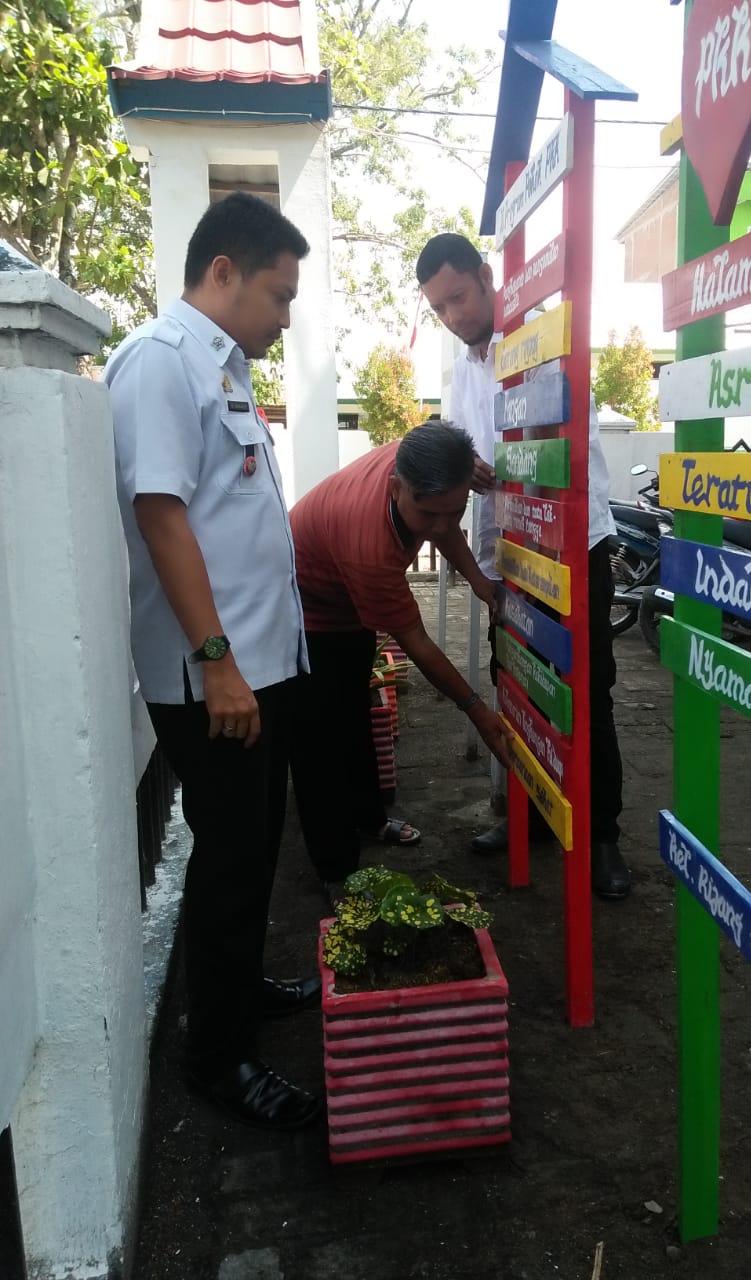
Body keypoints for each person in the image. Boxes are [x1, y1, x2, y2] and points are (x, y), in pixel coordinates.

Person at [106, 192, 322, 1130]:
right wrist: (219, 663)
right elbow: (162, 516)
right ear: (222, 272)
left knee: (252, 849)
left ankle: (238, 992)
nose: (284, 316)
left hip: (256, 669)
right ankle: (216, 1057)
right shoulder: (161, 364)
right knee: (230, 860)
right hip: (215, 680)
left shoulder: (221, 368)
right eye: (277, 295)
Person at [415, 233, 631, 900]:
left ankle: (603, 838)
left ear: (486, 278)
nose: (453, 316)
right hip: (507, 553)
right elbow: (460, 450)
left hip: (569, 545)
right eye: (439, 308)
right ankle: (530, 814)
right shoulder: (462, 370)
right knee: (517, 684)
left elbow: (564, 445)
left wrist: (499, 464)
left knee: (583, 692)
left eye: (458, 297)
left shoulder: (542, 343)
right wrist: (466, 466)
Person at [289, 421, 514, 891]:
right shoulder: (369, 548)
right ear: (396, 488)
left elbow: (442, 524)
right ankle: (337, 874)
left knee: (354, 714)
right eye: (428, 513)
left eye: (454, 510)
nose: (441, 525)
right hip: (307, 608)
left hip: (347, 602)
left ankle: (370, 818)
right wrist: (477, 711)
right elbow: (418, 644)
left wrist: (477, 580)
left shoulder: (423, 457)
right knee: (320, 744)